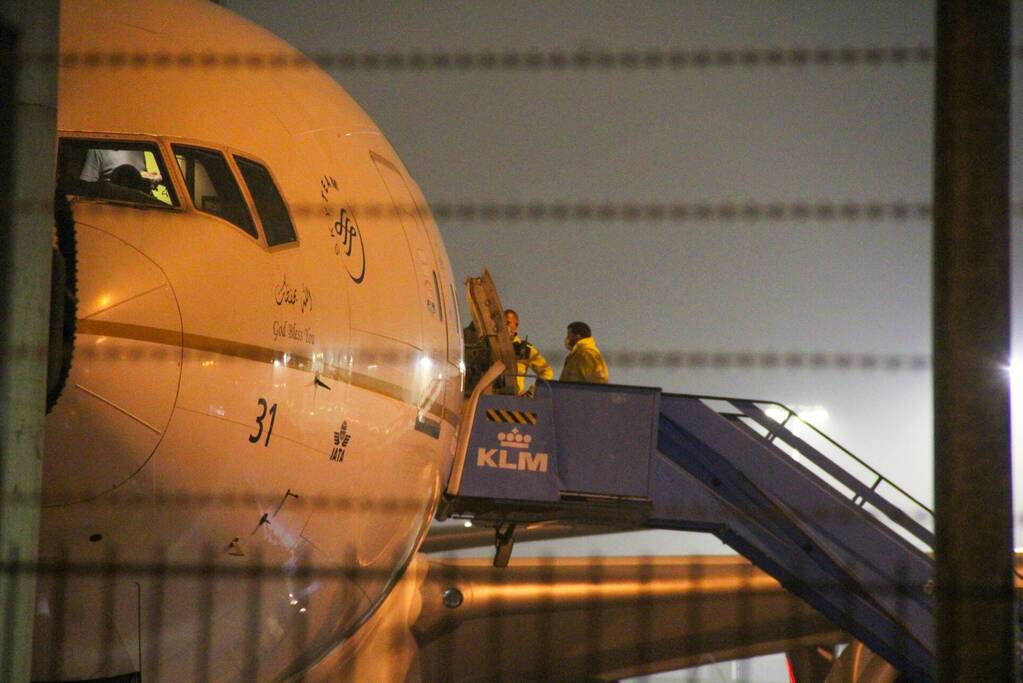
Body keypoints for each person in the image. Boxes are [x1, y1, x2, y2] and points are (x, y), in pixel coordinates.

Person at [505, 308, 554, 395]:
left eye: (508, 323)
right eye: (501, 323)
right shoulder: (488, 346)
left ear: (516, 326)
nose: (504, 326)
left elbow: (547, 372)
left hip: (514, 400)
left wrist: (533, 392)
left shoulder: (524, 349)